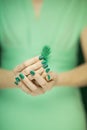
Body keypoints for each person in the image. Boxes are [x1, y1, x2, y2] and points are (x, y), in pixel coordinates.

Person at [0, 0, 87, 130]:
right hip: (8, 117)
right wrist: (16, 79)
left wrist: (57, 79)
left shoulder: (81, 4)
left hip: (64, 118)